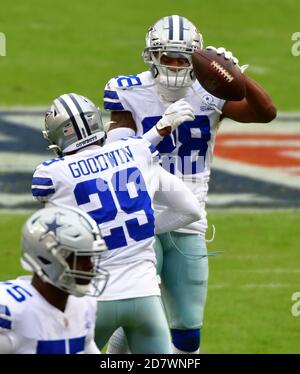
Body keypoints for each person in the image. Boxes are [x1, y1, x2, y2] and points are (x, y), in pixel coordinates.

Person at [103, 14, 277, 354]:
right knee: (139, 313)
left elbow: (266, 111)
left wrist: (238, 76)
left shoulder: (209, 92)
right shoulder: (127, 90)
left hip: (191, 220)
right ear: (151, 56)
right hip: (142, 215)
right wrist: (159, 131)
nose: (174, 65)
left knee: (187, 328)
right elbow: (118, 158)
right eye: (166, 56)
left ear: (196, 60)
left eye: (183, 58)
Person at [31, 93, 202, 353]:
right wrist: (142, 227)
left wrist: (160, 129)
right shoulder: (136, 150)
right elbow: (190, 210)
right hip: (145, 296)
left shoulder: (51, 175)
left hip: (93, 298)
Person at [0, 205, 109, 354]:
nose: (90, 267)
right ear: (48, 260)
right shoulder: (11, 311)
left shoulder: (84, 305)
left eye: (90, 258)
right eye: (81, 259)